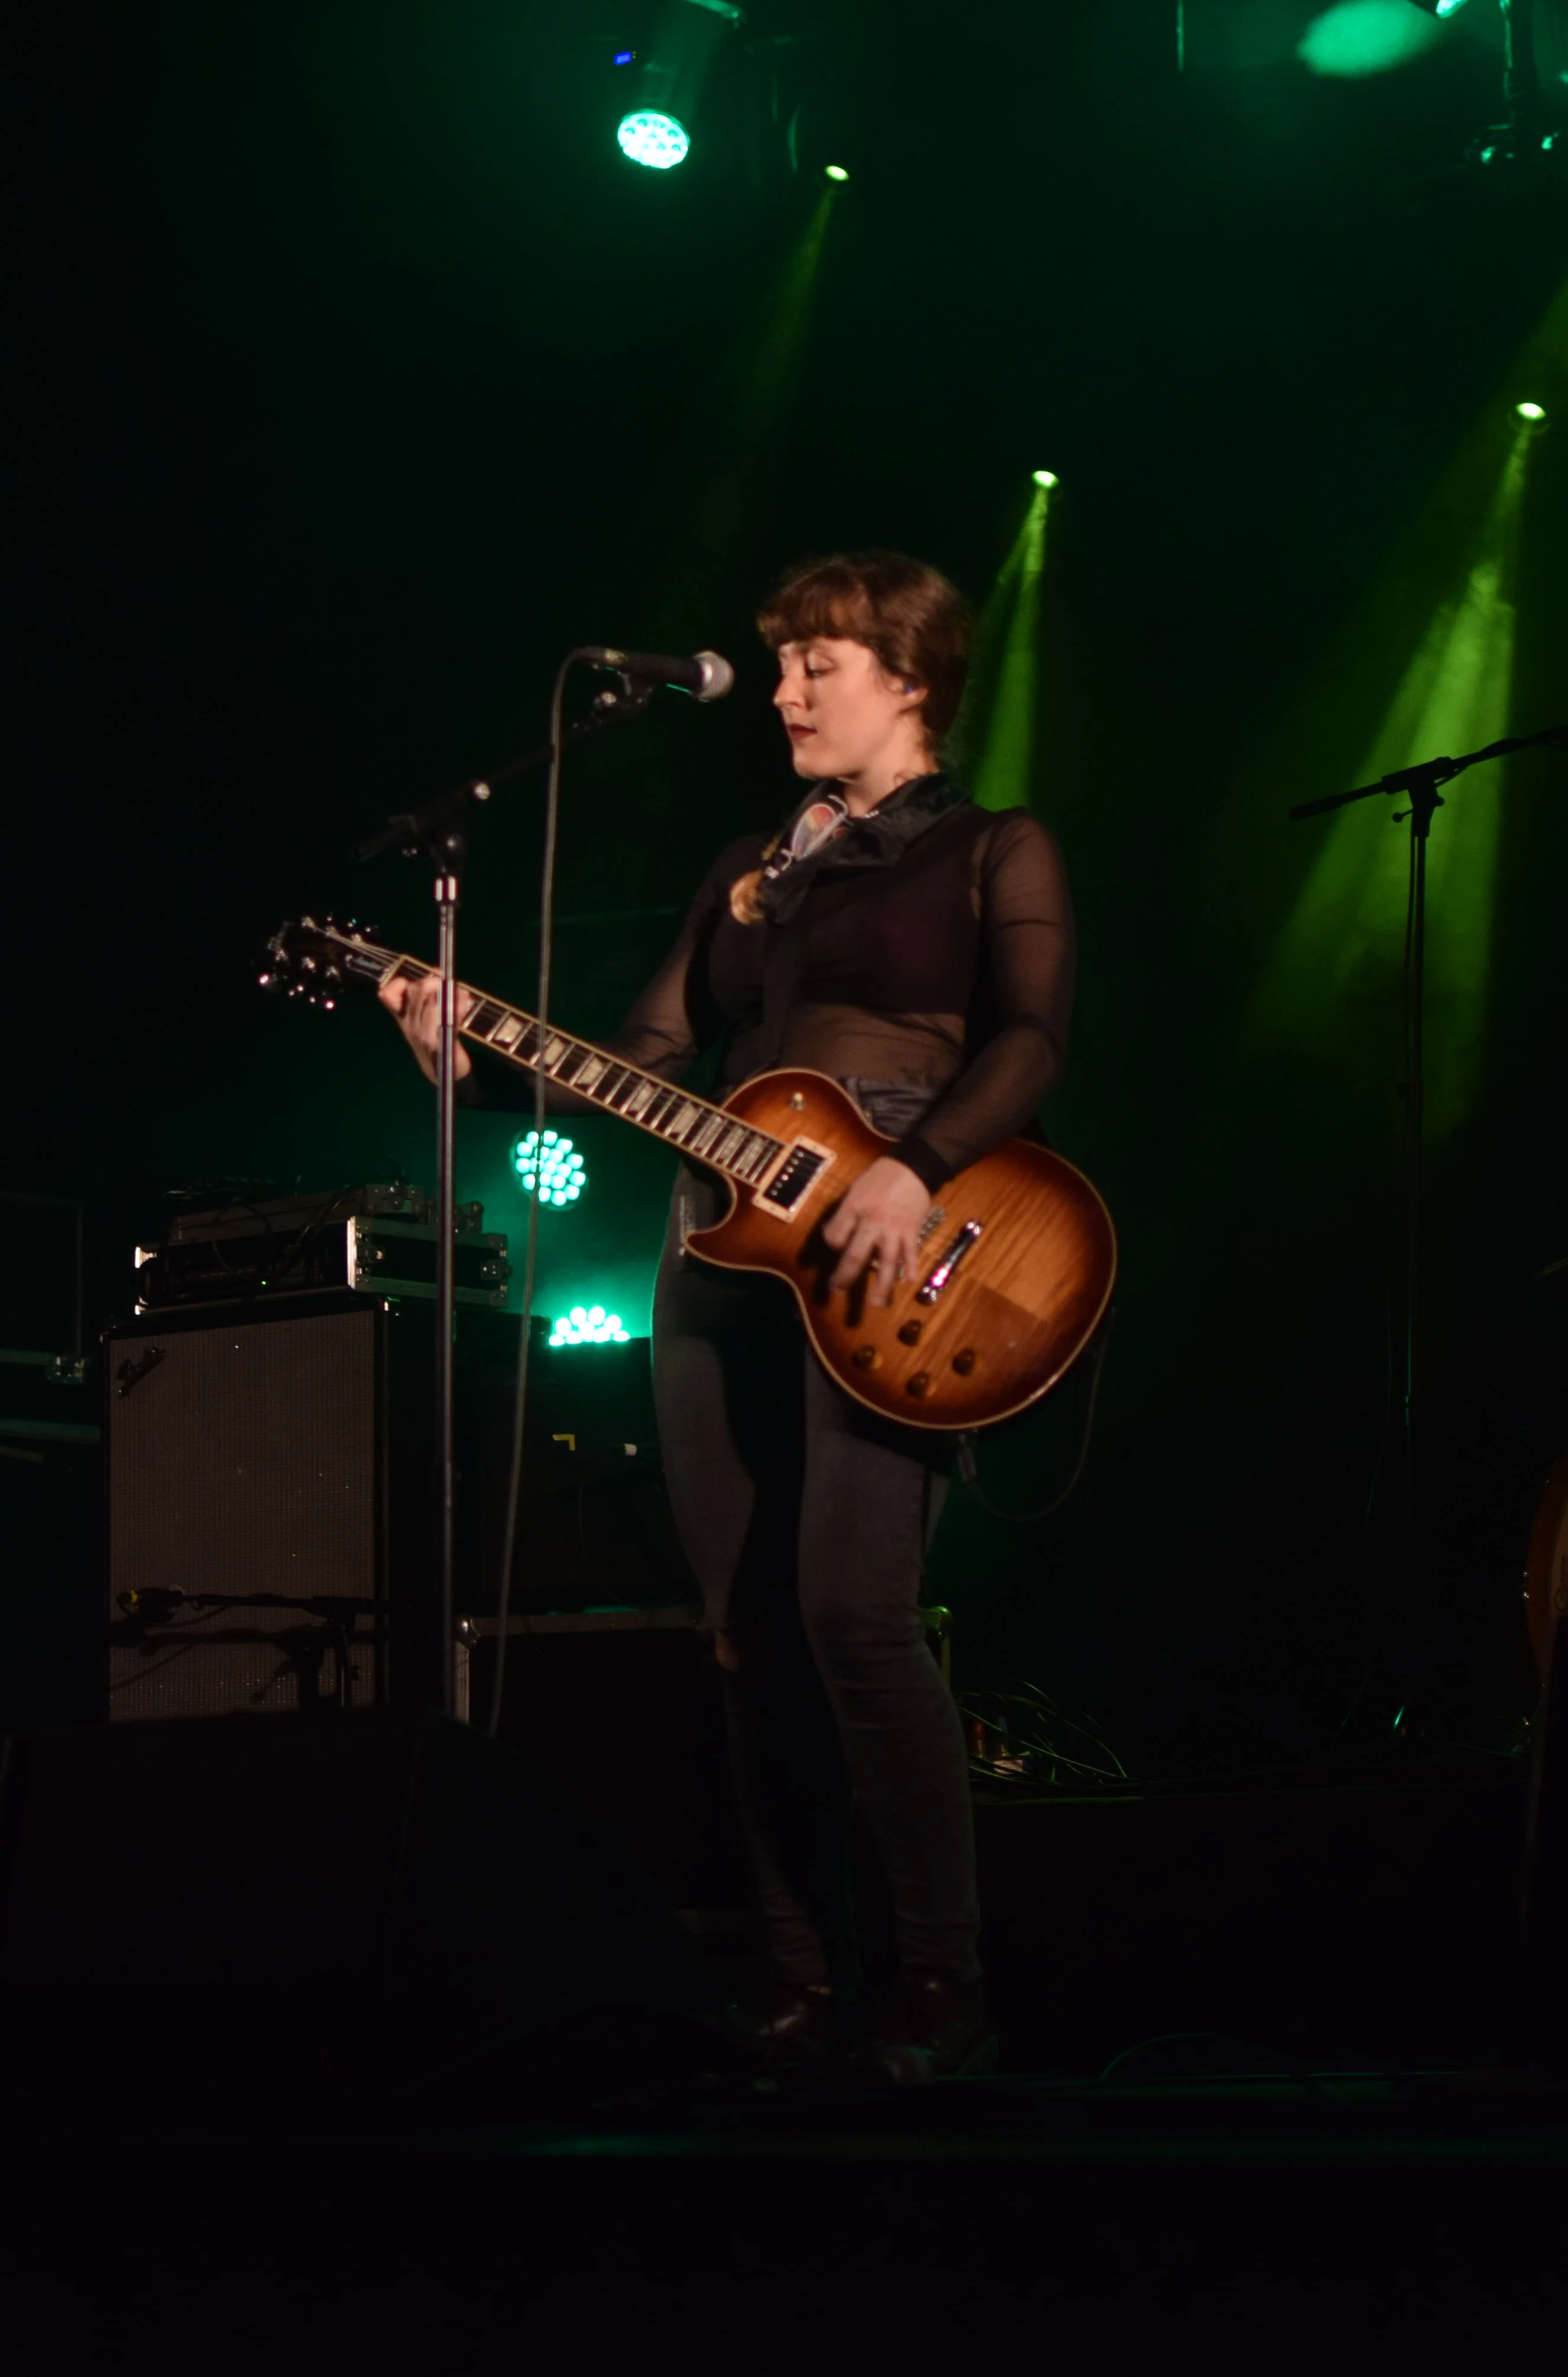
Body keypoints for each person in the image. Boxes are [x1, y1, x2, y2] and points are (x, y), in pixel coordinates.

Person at [383, 553, 1071, 2083]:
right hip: (717, 1252)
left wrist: (913, 1166)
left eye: (818, 663)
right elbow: (645, 1052)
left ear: (911, 678)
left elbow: (1032, 1039)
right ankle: (804, 1985)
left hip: (901, 1240)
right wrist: (469, 1056)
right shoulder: (753, 864)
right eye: (780, 664)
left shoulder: (993, 847)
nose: (783, 692)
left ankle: (943, 1981)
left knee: (854, 1613)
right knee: (744, 1634)